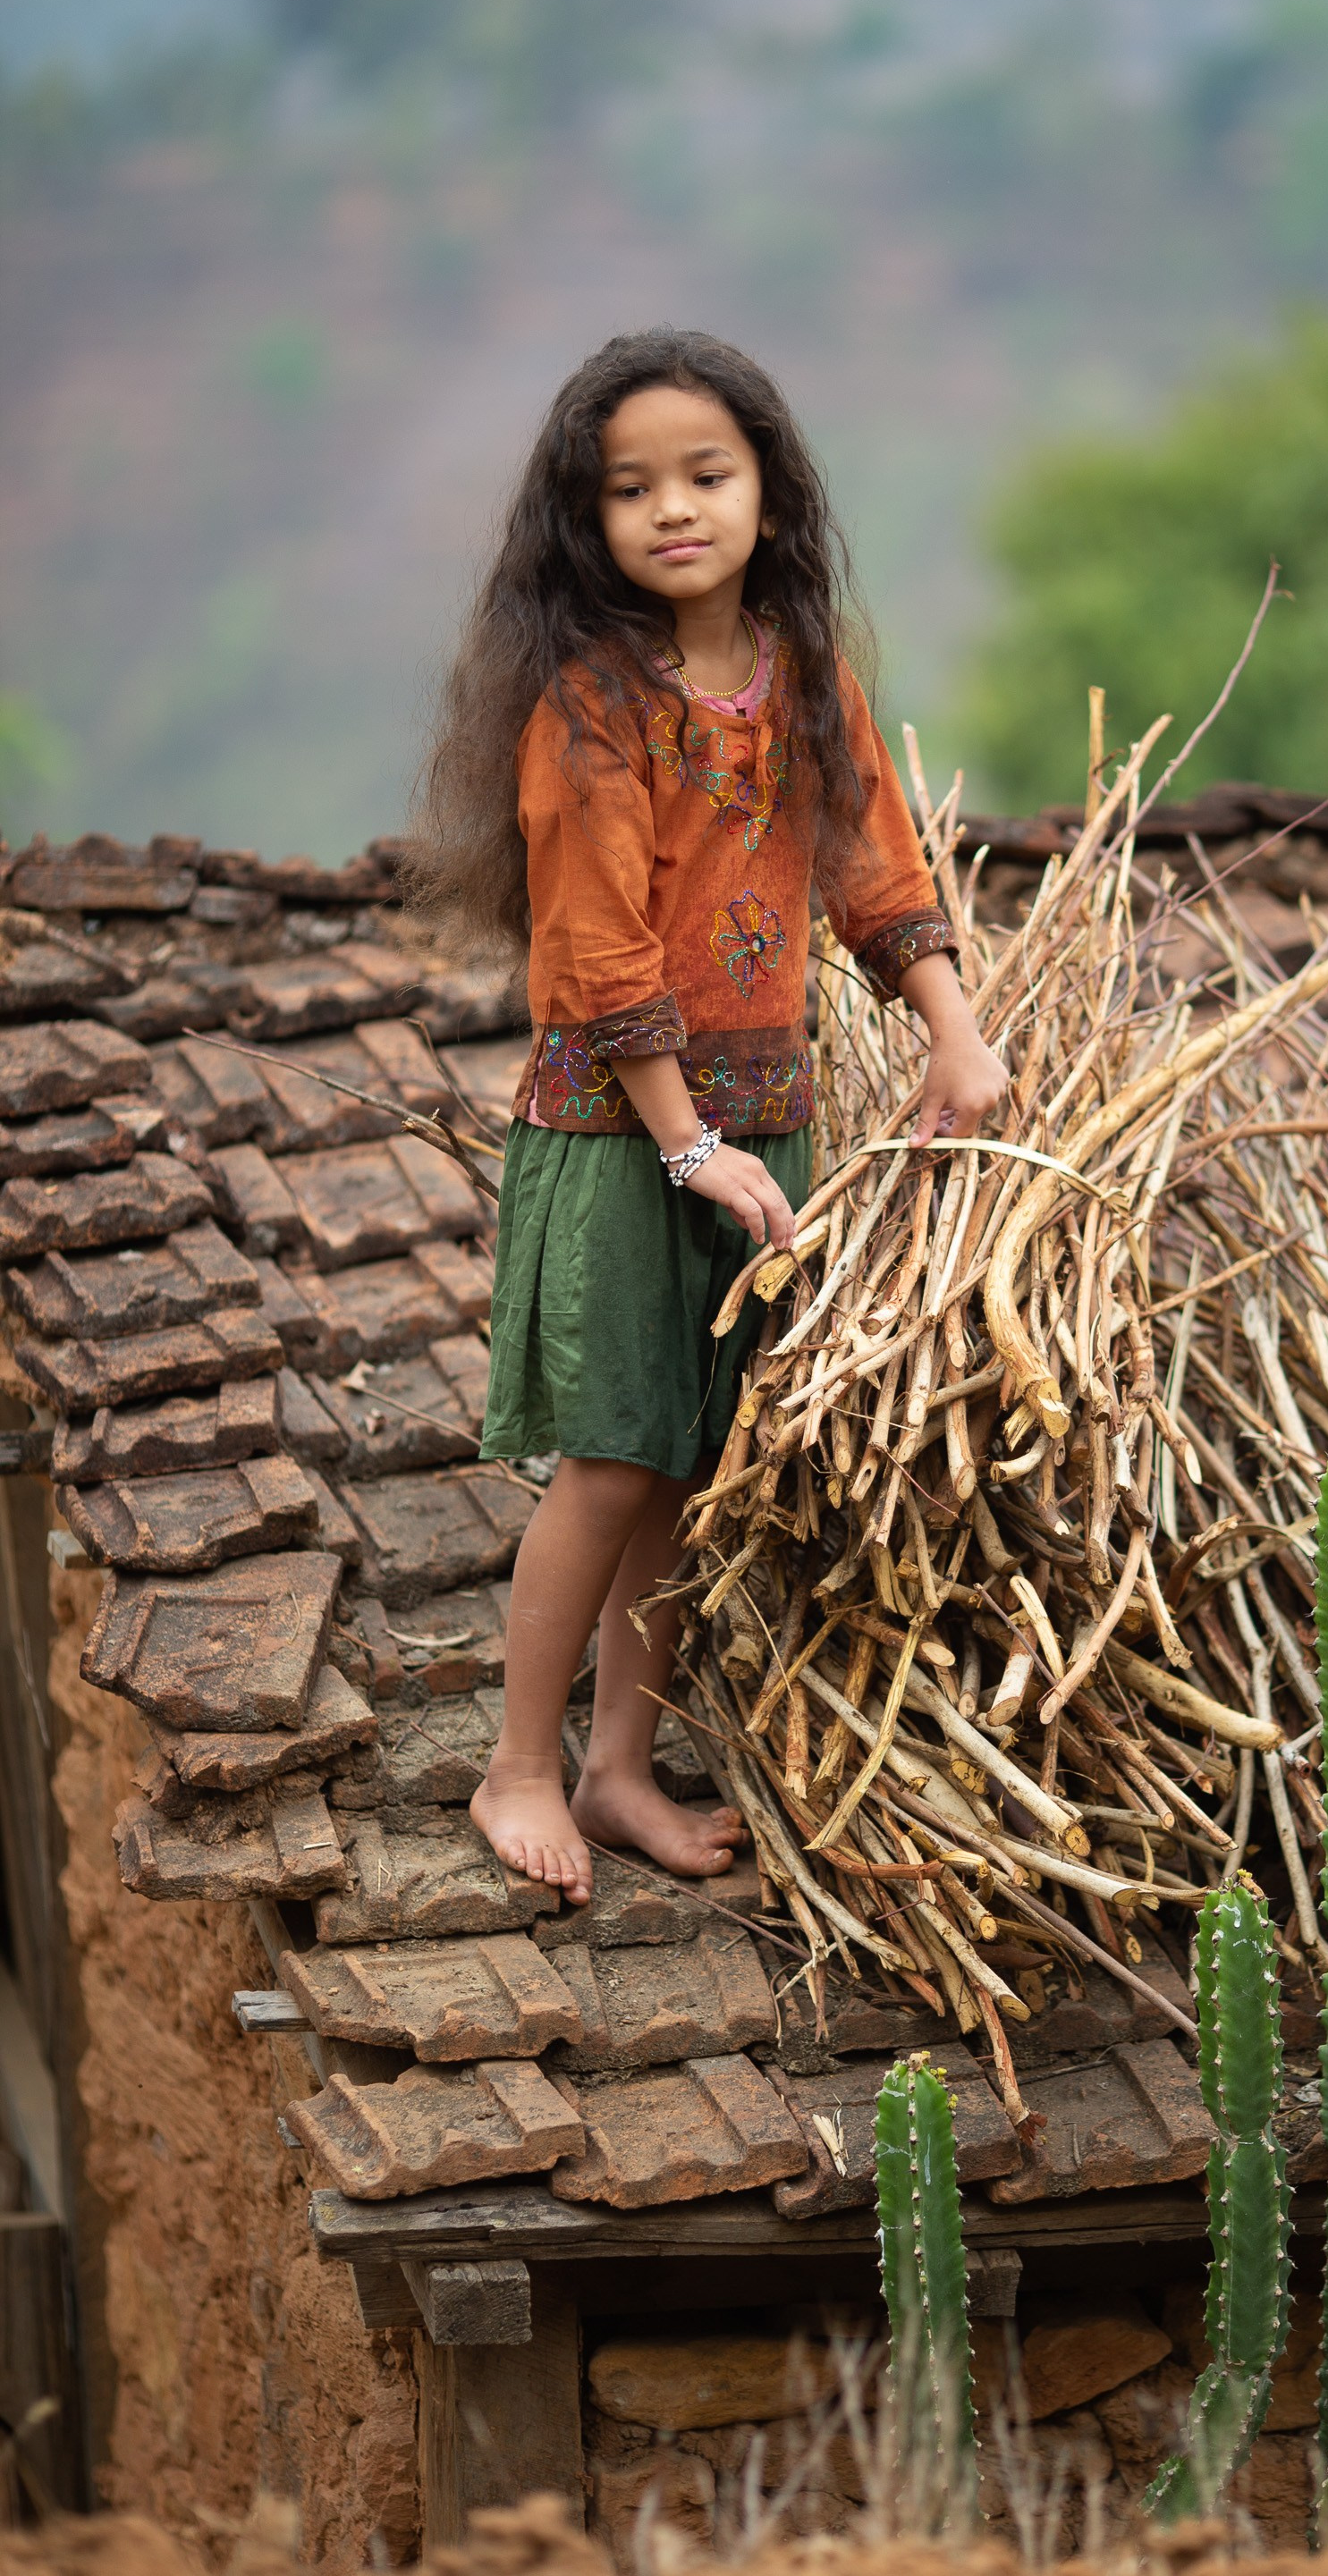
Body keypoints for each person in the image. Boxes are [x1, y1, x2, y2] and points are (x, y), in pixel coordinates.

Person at [409, 328, 1009, 1905]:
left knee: (694, 1462)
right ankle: (518, 1763)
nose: (673, 508)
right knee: (610, 1461)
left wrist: (955, 1036)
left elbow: (879, 869)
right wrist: (687, 1143)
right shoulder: (594, 707)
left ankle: (620, 1769)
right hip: (626, 1141)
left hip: (766, 1129)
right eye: (631, 487)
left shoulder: (806, 683)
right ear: (585, 520)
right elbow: (598, 951)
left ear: (767, 493)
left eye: (706, 474)